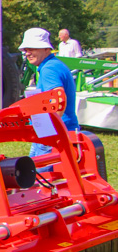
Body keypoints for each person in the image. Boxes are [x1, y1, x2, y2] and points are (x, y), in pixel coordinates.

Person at [19, 28, 79, 162]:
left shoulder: (49, 69)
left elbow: (59, 99)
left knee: (43, 178)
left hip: (53, 134)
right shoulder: (53, 65)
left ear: (46, 49)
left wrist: (48, 132)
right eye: (26, 50)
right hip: (54, 131)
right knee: (34, 173)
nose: (28, 53)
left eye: (33, 48)